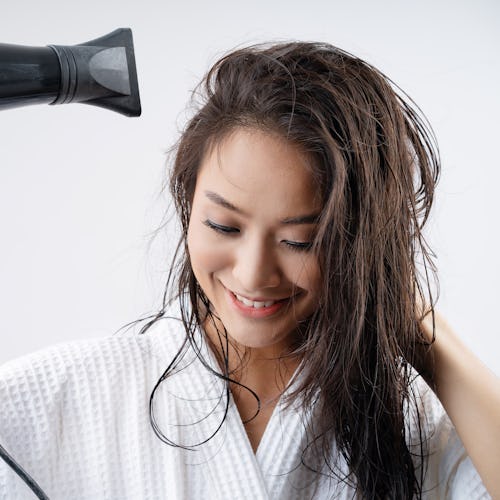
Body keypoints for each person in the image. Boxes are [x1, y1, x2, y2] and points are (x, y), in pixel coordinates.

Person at [0, 42, 498, 500]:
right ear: (187, 203)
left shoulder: (410, 426)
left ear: (360, 248)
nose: (254, 273)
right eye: (223, 226)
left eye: (300, 240)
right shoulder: (65, 395)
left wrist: (426, 339)